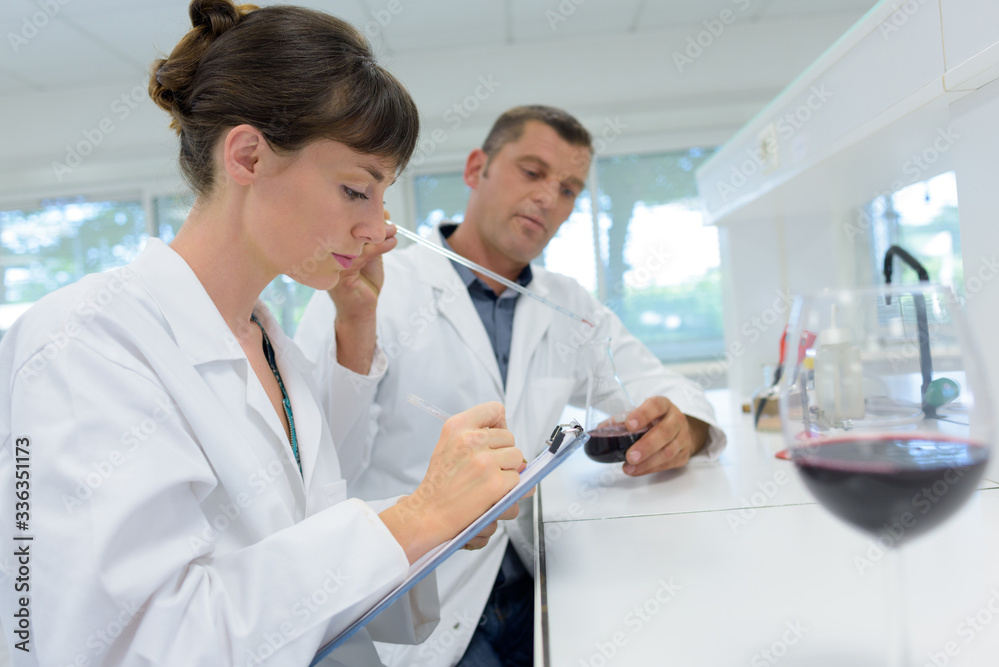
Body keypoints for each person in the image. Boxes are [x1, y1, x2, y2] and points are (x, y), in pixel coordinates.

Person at [0, 2, 526, 665]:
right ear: (248, 155)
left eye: (384, 195)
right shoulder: (84, 346)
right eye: (357, 189)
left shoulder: (269, 345)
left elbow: (294, 545)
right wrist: (417, 515)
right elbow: (133, 643)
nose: (378, 227)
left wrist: (442, 527)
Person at [295, 105, 728, 666]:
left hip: (529, 583)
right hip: (424, 593)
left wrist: (683, 429)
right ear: (477, 168)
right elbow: (318, 462)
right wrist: (355, 331)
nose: (550, 197)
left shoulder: (566, 303)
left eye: (569, 188)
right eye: (532, 171)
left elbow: (657, 387)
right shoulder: (369, 285)